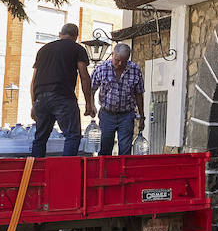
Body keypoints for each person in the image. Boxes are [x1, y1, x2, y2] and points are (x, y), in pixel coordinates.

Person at [30, 23, 95, 157]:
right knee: (72, 136)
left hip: (40, 98)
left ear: (60, 34)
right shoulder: (77, 49)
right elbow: (84, 77)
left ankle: (37, 173)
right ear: (76, 36)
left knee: (40, 138)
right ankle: (66, 172)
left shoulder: (43, 50)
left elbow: (33, 80)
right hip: (63, 96)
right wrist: (88, 103)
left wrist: (33, 104)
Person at [91, 43, 144, 154]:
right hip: (107, 114)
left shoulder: (135, 70)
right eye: (117, 60)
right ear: (112, 54)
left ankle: (122, 171)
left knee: (125, 149)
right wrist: (91, 105)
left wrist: (142, 116)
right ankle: (105, 171)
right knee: (105, 147)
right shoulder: (101, 69)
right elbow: (91, 89)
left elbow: (139, 94)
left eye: (124, 62)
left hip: (127, 115)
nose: (120, 64)